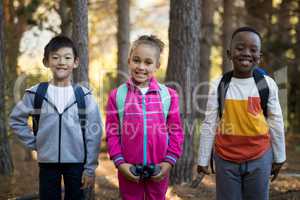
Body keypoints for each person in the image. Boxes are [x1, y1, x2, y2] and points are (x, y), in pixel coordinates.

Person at [197, 27, 286, 200]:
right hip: (225, 159)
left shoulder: (266, 84)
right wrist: (203, 158)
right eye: (240, 48)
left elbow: (276, 121)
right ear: (229, 53)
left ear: (259, 56)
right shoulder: (219, 84)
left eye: (253, 50)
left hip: (259, 157)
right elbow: (209, 123)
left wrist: (279, 156)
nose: (246, 53)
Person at [10, 36, 102, 200]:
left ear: (75, 62)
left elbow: (93, 133)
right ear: (46, 62)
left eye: (67, 57)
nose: (61, 62)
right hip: (47, 163)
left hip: (77, 163)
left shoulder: (84, 95)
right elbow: (16, 120)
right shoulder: (36, 93)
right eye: (55, 57)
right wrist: (35, 142)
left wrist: (89, 168)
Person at [105, 35, 184, 200]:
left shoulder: (169, 96)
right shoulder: (117, 96)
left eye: (148, 62)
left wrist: (169, 162)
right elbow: (112, 133)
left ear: (157, 66)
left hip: (159, 168)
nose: (141, 67)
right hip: (129, 169)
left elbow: (176, 131)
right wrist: (120, 164)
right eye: (136, 60)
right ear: (129, 61)